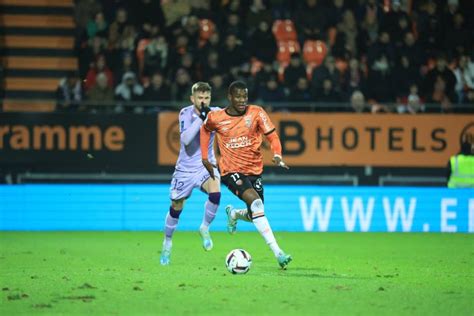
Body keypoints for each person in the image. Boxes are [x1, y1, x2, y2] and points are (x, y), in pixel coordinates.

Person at [200, 80, 292, 269]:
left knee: (255, 213)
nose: (242, 100)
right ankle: (279, 253)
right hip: (230, 171)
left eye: (245, 96)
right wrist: (204, 157)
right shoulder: (216, 117)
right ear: (230, 97)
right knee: (256, 203)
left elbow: (272, 136)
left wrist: (277, 154)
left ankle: (233, 214)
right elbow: (204, 130)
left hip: (254, 170)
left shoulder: (256, 112)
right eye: (238, 96)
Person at [160, 82, 221, 266]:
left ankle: (204, 227)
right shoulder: (185, 113)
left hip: (205, 164)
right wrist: (201, 119)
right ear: (192, 98)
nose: (203, 101)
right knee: (177, 206)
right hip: (185, 170)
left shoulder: (216, 112)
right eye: (200, 98)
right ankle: (167, 242)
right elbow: (186, 140)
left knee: (216, 191)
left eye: (207, 98)